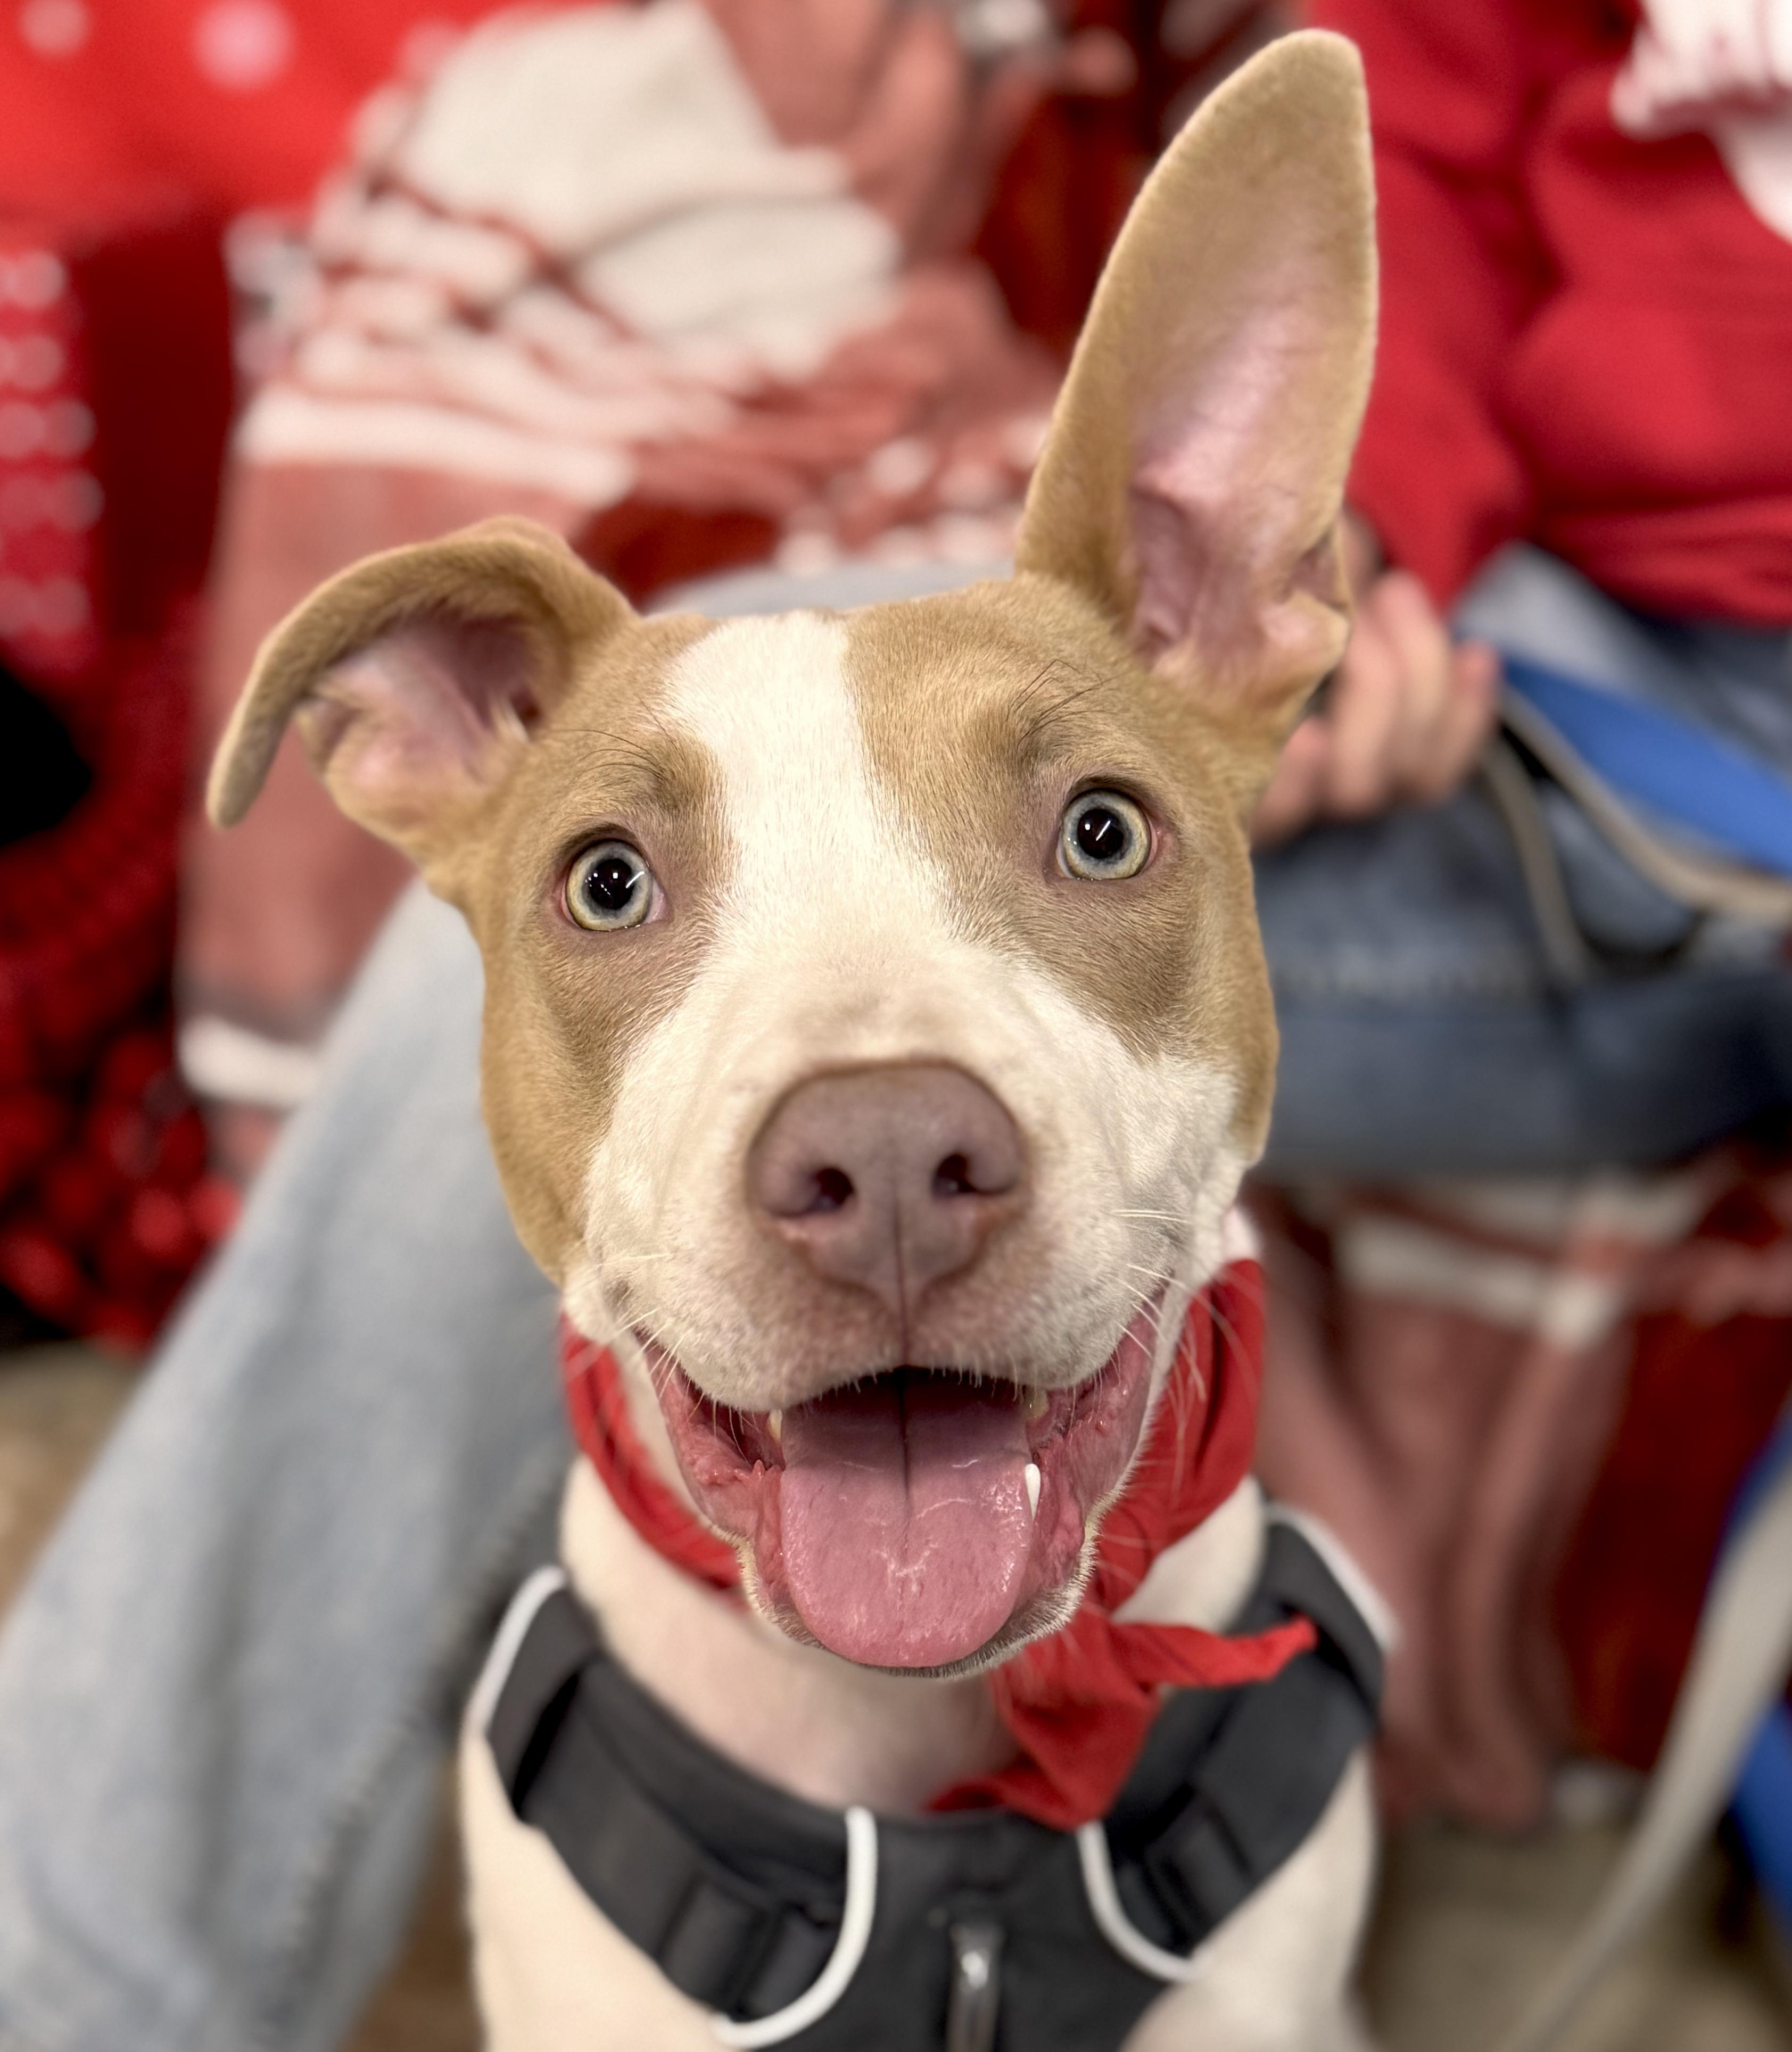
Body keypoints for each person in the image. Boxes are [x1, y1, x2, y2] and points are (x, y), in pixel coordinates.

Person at [3, 3, 1791, 2045]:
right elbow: (1441, 108)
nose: (878, 1163)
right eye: (611, 892)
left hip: (1722, 757)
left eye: (1101, 833)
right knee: (796, 707)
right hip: (1543, 646)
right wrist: (1380, 526)